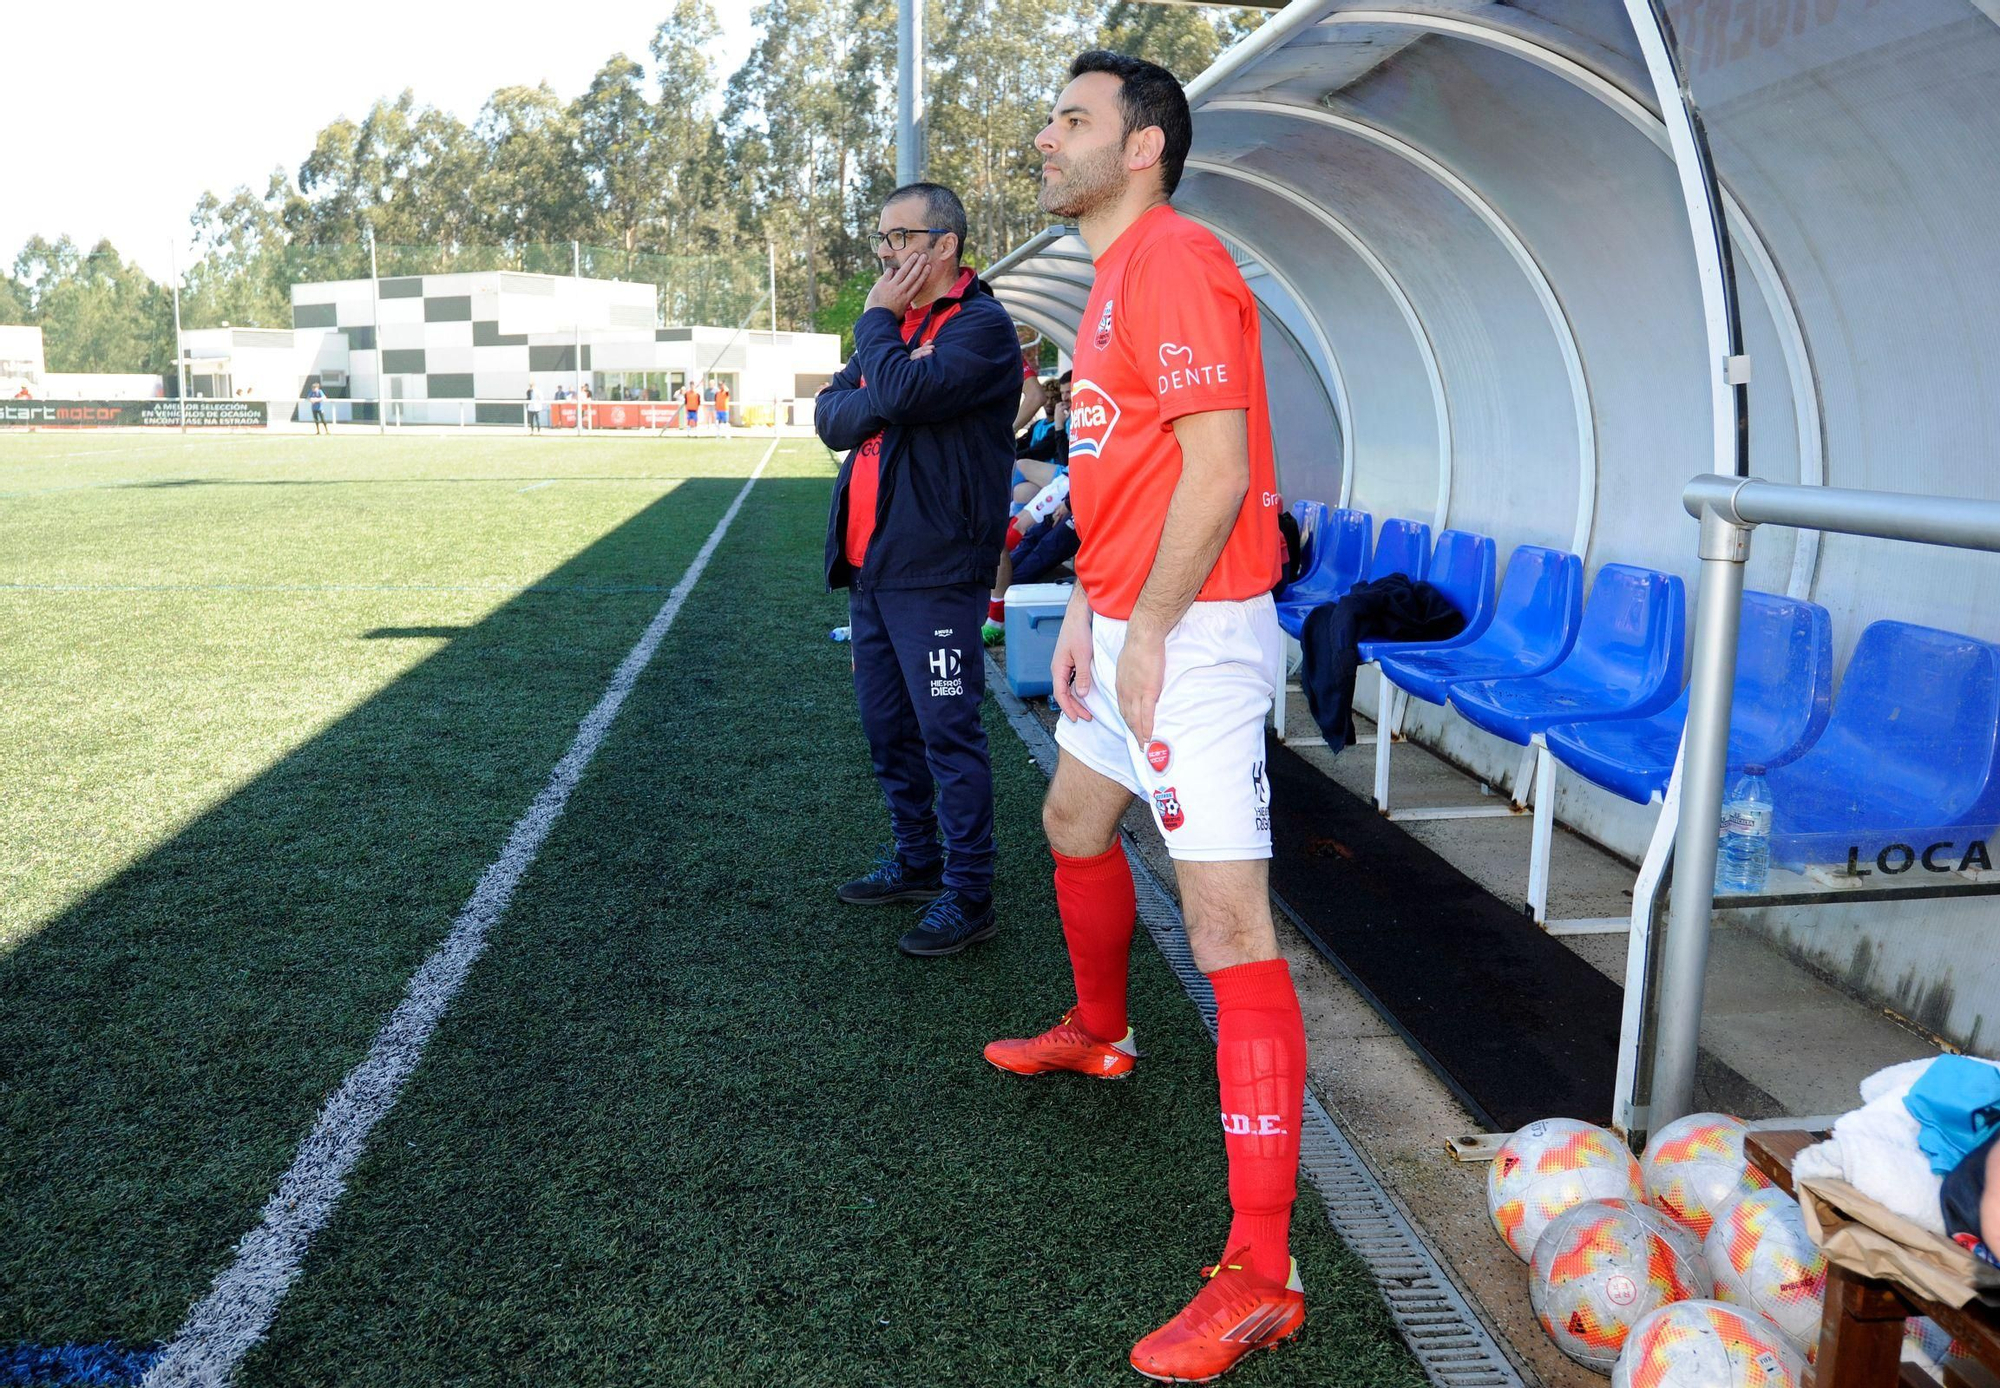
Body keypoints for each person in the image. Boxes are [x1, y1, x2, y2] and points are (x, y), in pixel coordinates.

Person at [982, 51, 1303, 1383]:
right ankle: (1102, 1032)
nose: (1047, 138)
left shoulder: (1175, 259)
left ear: (1144, 149)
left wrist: (1152, 631)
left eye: (1073, 120)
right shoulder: (1115, 271)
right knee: (1071, 819)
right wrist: (1093, 623)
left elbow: (1220, 474)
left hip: (1199, 633)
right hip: (1132, 623)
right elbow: (1134, 471)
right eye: (1053, 117)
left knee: (1228, 926)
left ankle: (1262, 1273)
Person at [815, 181, 1024, 958]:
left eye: (899, 237)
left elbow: (894, 388)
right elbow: (831, 417)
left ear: (945, 245)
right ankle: (917, 860)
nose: (886, 253)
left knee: (948, 731)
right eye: (883, 238)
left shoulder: (981, 327)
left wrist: (878, 337)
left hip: (936, 571)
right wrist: (886, 382)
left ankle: (970, 895)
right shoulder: (894, 331)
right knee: (887, 730)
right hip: (873, 569)